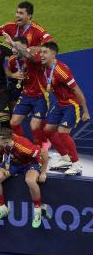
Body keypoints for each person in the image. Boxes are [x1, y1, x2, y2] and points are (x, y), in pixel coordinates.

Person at [38, 42, 90, 174]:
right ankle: (65, 158)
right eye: (41, 51)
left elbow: (77, 90)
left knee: (62, 132)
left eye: (45, 52)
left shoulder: (61, 70)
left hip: (72, 104)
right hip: (60, 103)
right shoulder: (44, 66)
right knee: (48, 130)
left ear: (53, 54)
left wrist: (85, 111)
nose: (41, 55)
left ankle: (76, 164)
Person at [0, 127, 48, 228]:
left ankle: (38, 210)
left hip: (29, 163)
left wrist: (43, 173)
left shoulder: (24, 146)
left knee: (30, 181)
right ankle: (2, 208)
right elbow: (0, 152)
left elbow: (44, 153)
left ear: (7, 141)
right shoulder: (5, 142)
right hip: (13, 162)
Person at [4, 35, 49, 149]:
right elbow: (7, 70)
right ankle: (23, 145)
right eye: (12, 46)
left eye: (16, 46)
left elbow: (31, 57)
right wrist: (13, 75)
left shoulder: (35, 55)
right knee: (13, 122)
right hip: (26, 94)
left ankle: (39, 148)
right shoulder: (13, 59)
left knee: (34, 125)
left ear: (24, 47)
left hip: (40, 96)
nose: (13, 49)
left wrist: (13, 43)